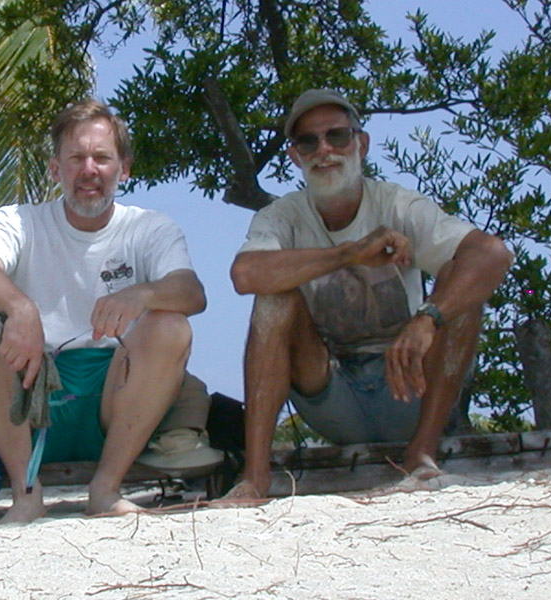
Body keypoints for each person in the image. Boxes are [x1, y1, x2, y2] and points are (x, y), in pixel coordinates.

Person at [217, 89, 513, 503]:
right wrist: (349, 253)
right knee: (274, 298)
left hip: (408, 387)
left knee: (459, 289)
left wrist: (427, 318)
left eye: (337, 136)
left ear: (362, 143)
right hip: (332, 396)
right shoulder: (282, 216)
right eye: (308, 142)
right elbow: (246, 274)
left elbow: (492, 254)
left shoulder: (398, 205)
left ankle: (421, 456)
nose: (324, 150)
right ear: (295, 156)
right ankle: (255, 477)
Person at [0, 99, 209, 523]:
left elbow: (191, 293)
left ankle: (106, 490)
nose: (89, 170)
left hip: (116, 400)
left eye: (102, 158)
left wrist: (142, 295)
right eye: (76, 158)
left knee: (171, 324)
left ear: (124, 169)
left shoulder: (149, 227)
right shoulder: (18, 221)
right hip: (34, 395)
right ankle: (26, 493)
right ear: (56, 169)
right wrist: (20, 307)